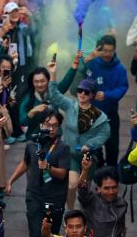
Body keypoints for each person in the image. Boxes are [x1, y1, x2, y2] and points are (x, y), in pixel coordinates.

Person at [7, 111, 70, 237]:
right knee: (35, 236)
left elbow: (62, 173)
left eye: (55, 125)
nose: (51, 129)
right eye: (48, 125)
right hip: (34, 196)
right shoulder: (32, 145)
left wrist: (48, 167)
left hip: (54, 198)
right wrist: (11, 180)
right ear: (42, 125)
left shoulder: (63, 148)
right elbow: (25, 163)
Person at [47, 59, 110, 206]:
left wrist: (90, 144)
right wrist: (53, 74)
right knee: (71, 185)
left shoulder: (99, 115)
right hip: (71, 154)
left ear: (92, 95)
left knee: (84, 189)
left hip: (88, 157)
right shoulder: (71, 106)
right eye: (80, 90)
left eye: (86, 92)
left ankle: (83, 212)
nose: (82, 94)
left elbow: (105, 133)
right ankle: (70, 212)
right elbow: (54, 95)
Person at [83, 35, 129, 166]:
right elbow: (79, 79)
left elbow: (122, 87)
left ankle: (112, 172)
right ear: (100, 49)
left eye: (111, 51)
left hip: (110, 114)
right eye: (105, 50)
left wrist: (107, 95)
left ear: (115, 50)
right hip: (92, 114)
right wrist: (85, 61)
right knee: (94, 148)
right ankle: (98, 172)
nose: (108, 54)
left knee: (112, 147)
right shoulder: (91, 64)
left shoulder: (120, 69)